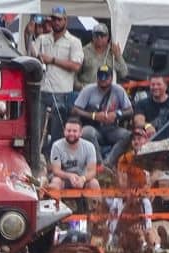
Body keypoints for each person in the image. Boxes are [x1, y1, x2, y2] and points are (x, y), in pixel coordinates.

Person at [30, 6, 82, 152]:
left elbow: (76, 66)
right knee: (37, 130)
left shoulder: (74, 41)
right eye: (54, 19)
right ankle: (37, 158)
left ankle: (55, 159)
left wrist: (52, 60)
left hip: (62, 92)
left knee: (57, 133)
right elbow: (31, 55)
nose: (56, 22)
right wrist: (28, 34)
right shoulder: (43, 38)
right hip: (43, 89)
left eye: (59, 19)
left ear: (65, 21)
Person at [70, 64, 132, 160]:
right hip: (93, 127)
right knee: (87, 132)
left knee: (128, 135)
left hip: (111, 128)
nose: (103, 79)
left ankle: (109, 162)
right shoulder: (88, 89)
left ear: (111, 78)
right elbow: (75, 110)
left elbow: (130, 111)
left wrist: (117, 114)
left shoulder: (118, 90)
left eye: (106, 77)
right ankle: (99, 163)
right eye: (100, 76)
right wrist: (94, 116)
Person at [74, 23, 126, 91]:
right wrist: (81, 87)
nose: (99, 38)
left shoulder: (112, 52)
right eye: (96, 35)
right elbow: (74, 74)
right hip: (87, 90)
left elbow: (123, 73)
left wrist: (118, 55)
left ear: (107, 37)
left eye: (102, 35)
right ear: (93, 36)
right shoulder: (84, 51)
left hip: (106, 92)